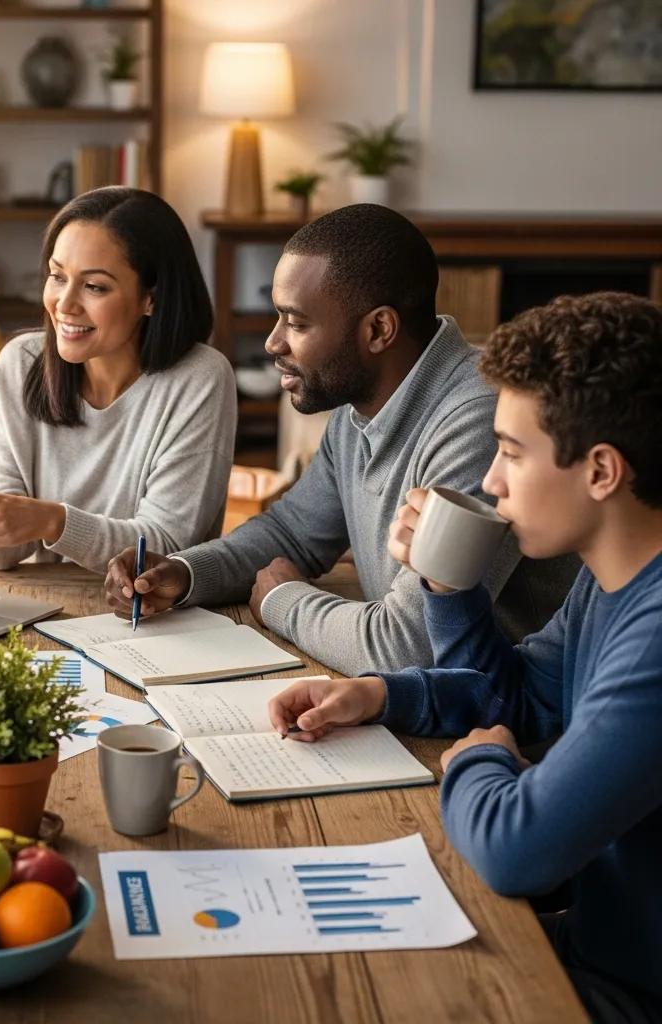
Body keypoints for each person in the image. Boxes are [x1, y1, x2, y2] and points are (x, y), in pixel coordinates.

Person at [267, 292, 662, 1022]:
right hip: (595, 943)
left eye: (511, 452)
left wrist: (477, 761)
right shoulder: (611, 579)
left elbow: (516, 848)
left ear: (602, 471)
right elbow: (518, 695)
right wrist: (385, 690)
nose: (492, 481)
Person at [105, 204, 576, 676]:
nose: (273, 343)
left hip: (502, 708)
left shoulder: (481, 424)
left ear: (379, 330)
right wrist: (184, 573)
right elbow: (292, 533)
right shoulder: (359, 405)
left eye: (296, 323)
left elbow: (407, 647)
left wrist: (283, 600)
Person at [0, 187, 236, 574]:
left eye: (94, 286)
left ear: (151, 298)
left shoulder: (200, 379)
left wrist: (53, 522)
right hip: (47, 601)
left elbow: (164, 549)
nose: (64, 305)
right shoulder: (21, 363)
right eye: (57, 276)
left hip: (149, 606)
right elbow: (5, 554)